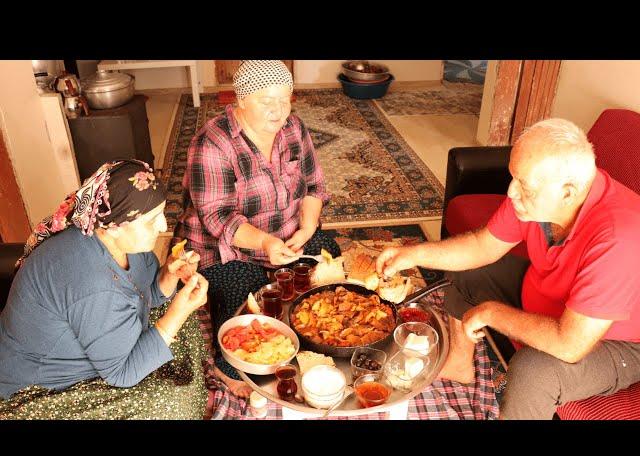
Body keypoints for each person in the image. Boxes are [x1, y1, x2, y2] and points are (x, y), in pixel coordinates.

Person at [376, 118, 640, 419]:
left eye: (524, 185)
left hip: (614, 342)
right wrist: (412, 254)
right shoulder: (538, 202)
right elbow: (481, 247)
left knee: (533, 371)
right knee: (468, 269)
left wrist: (491, 312)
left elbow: (569, 345)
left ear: (568, 193)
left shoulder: (620, 237)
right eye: (514, 177)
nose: (512, 192)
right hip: (551, 296)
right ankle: (461, 363)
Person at [174, 60, 340, 397]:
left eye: (285, 100)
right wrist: (265, 244)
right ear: (240, 100)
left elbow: (313, 187)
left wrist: (306, 231)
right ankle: (226, 369)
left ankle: (298, 324)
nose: (278, 112)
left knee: (330, 269)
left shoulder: (294, 129)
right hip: (227, 249)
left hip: (289, 236)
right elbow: (219, 217)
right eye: (267, 102)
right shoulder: (212, 143)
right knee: (244, 311)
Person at [0, 159, 210, 419]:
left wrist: (168, 276)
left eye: (162, 215)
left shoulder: (127, 246)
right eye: (150, 221)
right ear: (113, 228)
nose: (163, 228)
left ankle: (200, 384)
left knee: (180, 317)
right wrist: (175, 315)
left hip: (95, 336)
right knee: (170, 403)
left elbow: (143, 295)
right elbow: (122, 373)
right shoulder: (90, 282)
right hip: (40, 389)